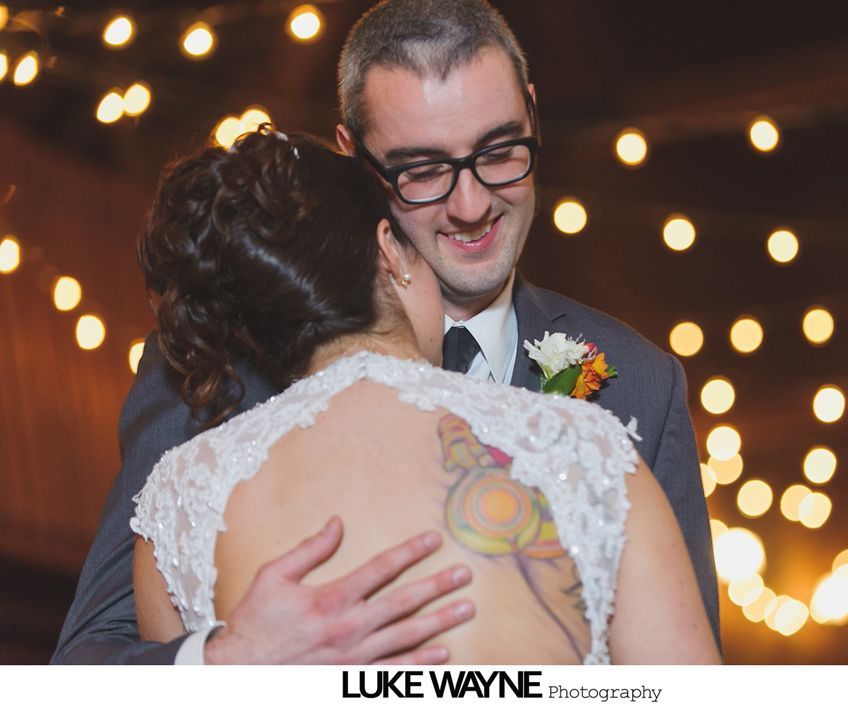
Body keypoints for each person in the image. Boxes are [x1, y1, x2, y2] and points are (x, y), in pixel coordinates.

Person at [52, 0, 719, 665]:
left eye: (500, 150)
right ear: (354, 161)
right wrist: (229, 659)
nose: (472, 204)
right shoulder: (213, 364)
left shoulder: (638, 379)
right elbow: (85, 658)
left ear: (533, 117)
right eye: (423, 169)